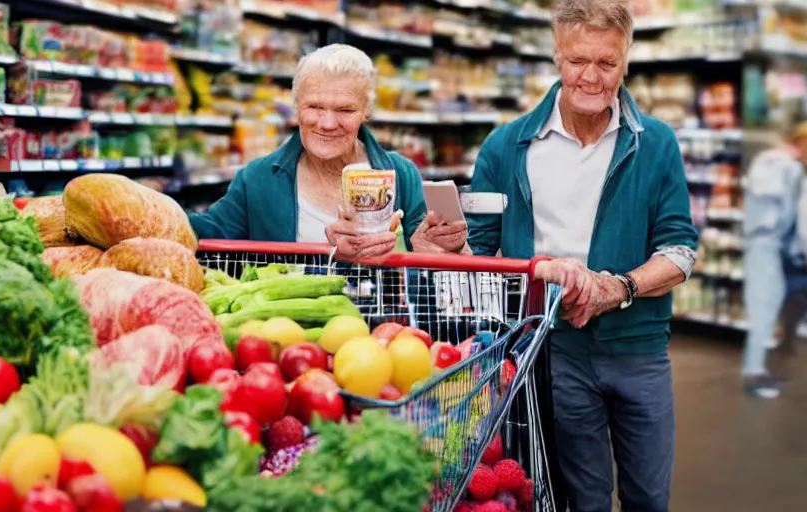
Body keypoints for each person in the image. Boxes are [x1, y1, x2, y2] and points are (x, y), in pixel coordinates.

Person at [465, 0, 698, 511]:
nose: (591, 77)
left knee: (648, 498)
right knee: (581, 498)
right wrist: (446, 242)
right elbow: (476, 253)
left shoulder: (655, 143)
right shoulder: (507, 147)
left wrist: (619, 288)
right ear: (556, 56)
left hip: (639, 349)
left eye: (607, 63)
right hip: (553, 350)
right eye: (577, 61)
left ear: (625, 61)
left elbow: (680, 249)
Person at [188, 44, 467, 258]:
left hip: (385, 331)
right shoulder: (258, 178)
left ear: (366, 112)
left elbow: (431, 268)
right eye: (314, 107)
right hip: (285, 332)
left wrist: (436, 247)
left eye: (345, 110)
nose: (328, 123)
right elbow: (207, 236)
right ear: (296, 107)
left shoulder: (401, 174)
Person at [742, 120, 807, 396]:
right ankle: (754, 375)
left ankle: (757, 368)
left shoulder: (766, 163)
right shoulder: (791, 170)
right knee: (765, 306)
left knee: (766, 304)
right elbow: (800, 219)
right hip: (768, 243)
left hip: (760, 241)